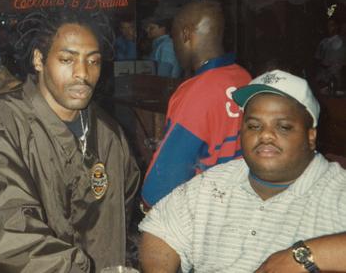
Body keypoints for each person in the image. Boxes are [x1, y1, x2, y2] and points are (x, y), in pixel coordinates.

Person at [0, 9, 141, 272]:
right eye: (67, 59)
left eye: (93, 61)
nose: (83, 74)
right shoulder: (0, 121)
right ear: (39, 60)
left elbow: (123, 220)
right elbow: (3, 232)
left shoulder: (109, 134)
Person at [139, 69, 346, 273]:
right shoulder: (214, 183)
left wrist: (304, 256)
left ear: (310, 136)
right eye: (254, 126)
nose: (265, 135)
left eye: (283, 127)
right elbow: (160, 230)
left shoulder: (338, 191)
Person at [141, 0, 252, 208]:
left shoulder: (195, 91)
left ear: (185, 35)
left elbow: (159, 188)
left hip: (206, 215)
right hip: (240, 206)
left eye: (174, 38)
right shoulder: (244, 77)